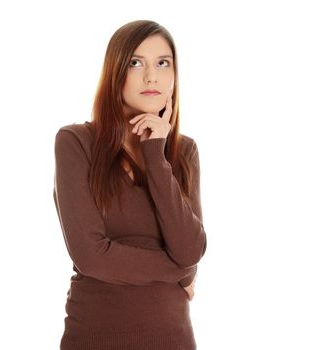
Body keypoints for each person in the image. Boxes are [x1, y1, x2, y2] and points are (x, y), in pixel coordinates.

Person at [53, 19, 207, 350]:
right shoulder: (76, 142)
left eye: (163, 63)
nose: (151, 76)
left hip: (173, 338)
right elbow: (92, 257)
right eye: (136, 62)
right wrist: (178, 268)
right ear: (115, 71)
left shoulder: (184, 151)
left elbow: (191, 249)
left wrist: (156, 154)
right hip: (95, 336)